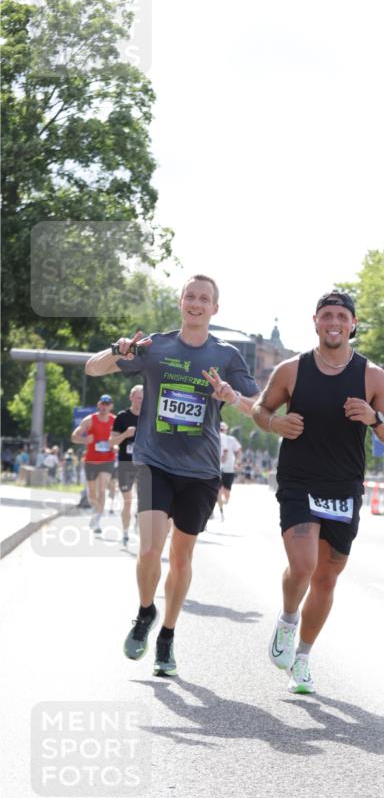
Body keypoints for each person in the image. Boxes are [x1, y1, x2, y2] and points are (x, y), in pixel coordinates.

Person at [85, 274, 260, 677]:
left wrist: (232, 397)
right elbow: (94, 369)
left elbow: (257, 405)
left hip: (200, 471)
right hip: (154, 461)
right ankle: (145, 612)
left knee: (181, 559)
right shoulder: (156, 346)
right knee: (150, 550)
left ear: (215, 308)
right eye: (190, 296)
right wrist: (118, 349)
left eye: (205, 299)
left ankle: (167, 634)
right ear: (180, 302)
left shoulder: (227, 356)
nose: (196, 303)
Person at [252, 290, 384, 694]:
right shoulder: (292, 370)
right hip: (299, 480)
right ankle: (288, 621)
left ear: (353, 324)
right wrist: (274, 425)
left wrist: (374, 418)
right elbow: (260, 409)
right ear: (315, 321)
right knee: (302, 564)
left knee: (326, 577)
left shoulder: (372, 376)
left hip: (344, 485)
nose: (334, 322)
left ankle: (302, 657)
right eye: (327, 316)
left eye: (342, 316)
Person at [71, 395, 116, 533]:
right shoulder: (89, 420)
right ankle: (95, 511)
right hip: (91, 460)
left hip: (108, 460)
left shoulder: (115, 421)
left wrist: (116, 445)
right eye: (102, 404)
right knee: (92, 494)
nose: (104, 407)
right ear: (98, 405)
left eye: (107, 404)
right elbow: (74, 436)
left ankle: (97, 520)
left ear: (111, 406)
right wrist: (84, 440)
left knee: (102, 488)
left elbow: (120, 438)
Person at [110, 384, 144, 546]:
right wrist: (125, 434)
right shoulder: (122, 417)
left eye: (144, 398)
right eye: (138, 398)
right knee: (128, 501)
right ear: (131, 398)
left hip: (145, 464)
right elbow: (112, 442)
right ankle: (125, 533)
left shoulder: (149, 416)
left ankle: (139, 519)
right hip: (126, 463)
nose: (141, 401)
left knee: (145, 501)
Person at [216, 421, 242, 518]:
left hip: (229, 468)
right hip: (217, 468)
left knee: (226, 493)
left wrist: (238, 462)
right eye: (220, 429)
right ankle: (216, 507)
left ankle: (223, 501)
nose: (221, 431)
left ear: (226, 430)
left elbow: (239, 451)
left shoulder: (231, 440)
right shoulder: (215, 437)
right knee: (218, 489)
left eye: (223, 430)